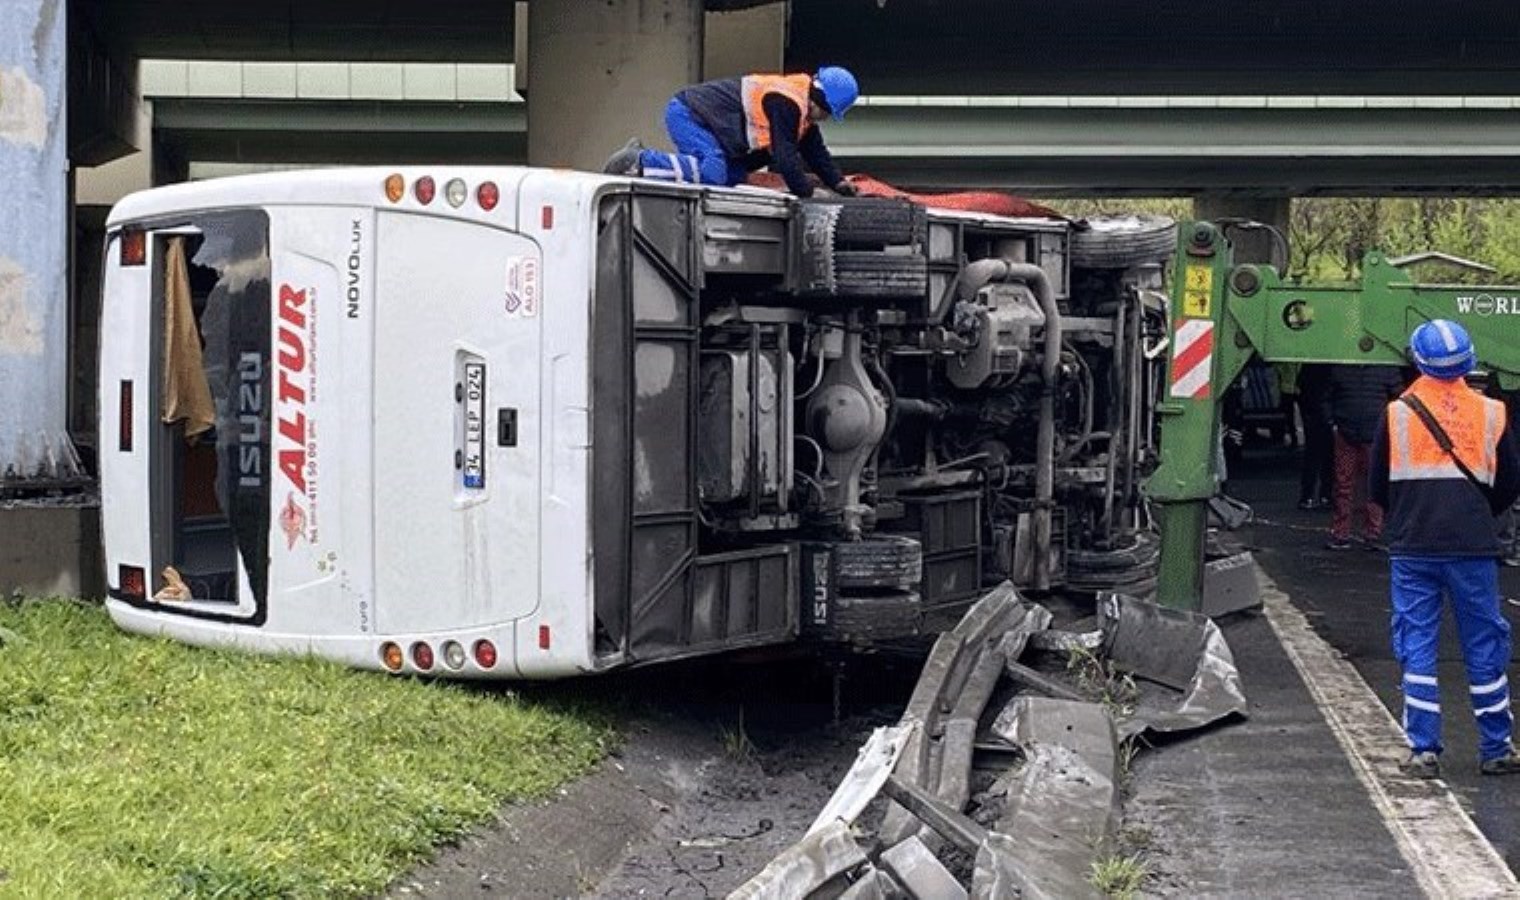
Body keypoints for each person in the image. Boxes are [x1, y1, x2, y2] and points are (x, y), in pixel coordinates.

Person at [1370, 320, 1520, 778]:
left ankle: (1423, 749)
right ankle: (1496, 747)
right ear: (1469, 361)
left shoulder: (1397, 414)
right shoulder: (1493, 413)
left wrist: (1409, 514)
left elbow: (1377, 487)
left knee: (1416, 641)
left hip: (1414, 548)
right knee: (1484, 642)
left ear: (1418, 360)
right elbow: (1510, 483)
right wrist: (1477, 515)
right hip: (1473, 549)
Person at [602, 67, 860, 199]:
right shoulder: (786, 102)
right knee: (713, 173)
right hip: (689, 114)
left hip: (705, 124)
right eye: (828, 113)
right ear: (821, 102)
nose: (826, 119)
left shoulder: (803, 114)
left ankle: (651, 170)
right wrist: (806, 193)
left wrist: (837, 182)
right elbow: (785, 155)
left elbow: (816, 153)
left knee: (732, 176)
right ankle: (639, 161)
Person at [1324, 364, 1406, 549]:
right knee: (1369, 485)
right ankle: (1370, 534)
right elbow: (1399, 396)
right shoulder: (1386, 369)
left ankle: (1343, 533)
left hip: (1351, 430)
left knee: (1345, 485)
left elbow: (1327, 397)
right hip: (1368, 432)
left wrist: (1333, 423)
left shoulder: (1340, 368)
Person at [1296, 363, 1334, 509]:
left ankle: (1307, 496)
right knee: (1328, 458)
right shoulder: (1332, 368)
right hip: (1329, 416)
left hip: (1312, 416)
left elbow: (1300, 387)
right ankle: (1326, 495)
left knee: (1311, 457)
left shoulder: (1308, 366)